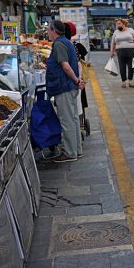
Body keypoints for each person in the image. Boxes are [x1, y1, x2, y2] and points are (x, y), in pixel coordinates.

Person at [45, 20, 84, 163]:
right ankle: (76, 150)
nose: (48, 33)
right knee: (73, 120)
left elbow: (66, 66)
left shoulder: (59, 44)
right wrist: (77, 80)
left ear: (54, 30)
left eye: (49, 30)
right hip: (69, 87)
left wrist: (75, 80)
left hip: (64, 87)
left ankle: (69, 153)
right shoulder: (66, 42)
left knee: (67, 121)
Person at [64, 22, 88, 131]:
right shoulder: (76, 45)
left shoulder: (63, 46)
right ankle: (80, 125)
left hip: (71, 81)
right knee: (79, 104)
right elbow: (82, 61)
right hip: (79, 79)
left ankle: (75, 127)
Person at [110, 19, 134, 88]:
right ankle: (123, 81)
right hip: (120, 51)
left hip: (130, 50)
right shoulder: (116, 32)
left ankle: (130, 81)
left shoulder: (130, 30)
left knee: (131, 66)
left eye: (119, 24)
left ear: (123, 24)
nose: (117, 25)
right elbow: (113, 42)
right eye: (117, 24)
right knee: (121, 66)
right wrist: (112, 51)